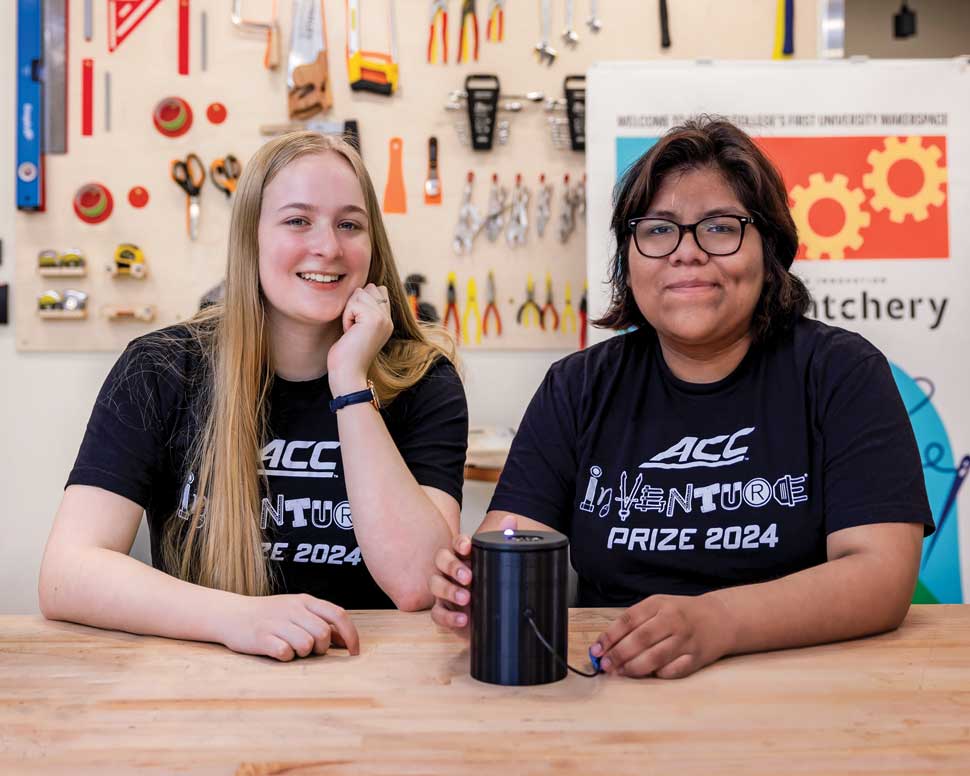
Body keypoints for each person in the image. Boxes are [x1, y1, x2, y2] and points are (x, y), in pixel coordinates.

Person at [430, 117, 933, 679]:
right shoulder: (577, 386)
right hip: (615, 681)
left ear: (769, 250)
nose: (686, 252)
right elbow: (508, 540)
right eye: (658, 229)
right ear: (628, 259)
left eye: (719, 227)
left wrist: (719, 620)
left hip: (801, 682)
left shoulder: (841, 372)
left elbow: (881, 576)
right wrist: (473, 588)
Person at [39, 132, 468, 662]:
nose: (329, 247)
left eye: (349, 224)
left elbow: (419, 584)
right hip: (204, 675)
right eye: (298, 220)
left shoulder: (423, 379)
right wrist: (236, 617)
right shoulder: (160, 369)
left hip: (373, 677)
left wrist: (350, 383)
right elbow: (67, 573)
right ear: (252, 238)